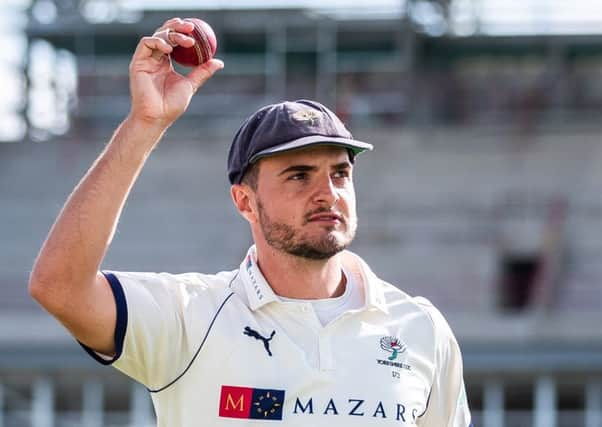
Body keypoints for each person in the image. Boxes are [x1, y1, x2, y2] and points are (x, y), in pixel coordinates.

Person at [29, 18, 473, 427]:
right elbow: (58, 286)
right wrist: (145, 123)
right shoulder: (189, 317)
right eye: (299, 175)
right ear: (245, 201)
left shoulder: (420, 328)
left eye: (340, 173)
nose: (328, 193)